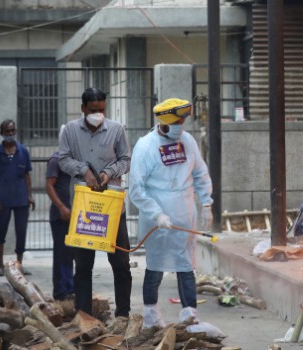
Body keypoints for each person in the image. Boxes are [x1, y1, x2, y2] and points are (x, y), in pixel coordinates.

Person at [129, 98, 213, 328]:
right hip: (158, 220)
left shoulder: (187, 141)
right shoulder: (146, 146)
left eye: (182, 121)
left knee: (186, 264)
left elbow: (200, 173)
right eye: (176, 122)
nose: (180, 126)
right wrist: (156, 214)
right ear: (164, 122)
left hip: (185, 214)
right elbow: (136, 189)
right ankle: (151, 315)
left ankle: (189, 313)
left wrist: (206, 203)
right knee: (156, 265)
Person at [58, 87, 132, 318]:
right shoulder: (69, 130)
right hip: (85, 210)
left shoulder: (117, 130)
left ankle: (123, 315)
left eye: (101, 110)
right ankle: (84, 316)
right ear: (83, 109)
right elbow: (63, 159)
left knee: (121, 264)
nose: (97, 114)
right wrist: (84, 171)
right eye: (92, 110)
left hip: (113, 209)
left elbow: (126, 160)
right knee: (82, 268)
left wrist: (107, 173)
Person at [0, 119, 35, 277]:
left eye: (12, 130)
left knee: (21, 232)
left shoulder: (23, 151)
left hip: (21, 199)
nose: (10, 134)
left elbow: (27, 175)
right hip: (3, 200)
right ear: (1, 133)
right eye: (7, 131)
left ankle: (19, 265)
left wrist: (30, 195)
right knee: (0, 232)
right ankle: (1, 265)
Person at [44, 125, 74, 301]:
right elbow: (49, 186)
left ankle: (70, 288)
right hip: (60, 215)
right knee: (62, 253)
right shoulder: (56, 160)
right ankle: (61, 291)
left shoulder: (74, 160)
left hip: (74, 214)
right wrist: (62, 207)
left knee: (71, 253)